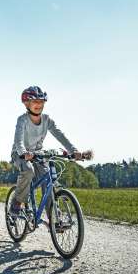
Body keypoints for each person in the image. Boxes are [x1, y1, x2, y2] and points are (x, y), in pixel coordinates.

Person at [10, 86, 84, 215]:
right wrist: (23, 152)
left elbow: (60, 135)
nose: (39, 105)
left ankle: (53, 217)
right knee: (28, 171)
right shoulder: (22, 120)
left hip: (38, 154)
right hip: (20, 154)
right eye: (35, 102)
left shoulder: (46, 120)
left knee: (48, 177)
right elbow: (18, 140)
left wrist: (73, 150)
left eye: (41, 102)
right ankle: (17, 202)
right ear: (27, 103)